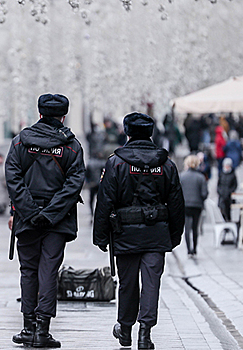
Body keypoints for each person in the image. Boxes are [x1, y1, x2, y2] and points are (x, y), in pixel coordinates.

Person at [93, 112, 184, 349]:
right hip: (156, 233)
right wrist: (174, 235)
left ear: (127, 132)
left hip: (125, 233)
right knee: (152, 283)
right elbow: (176, 202)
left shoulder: (116, 162)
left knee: (128, 283)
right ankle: (145, 333)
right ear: (151, 133)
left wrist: (101, 236)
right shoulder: (166, 164)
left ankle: (124, 330)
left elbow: (105, 200)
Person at [6, 94, 85, 348]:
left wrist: (30, 211)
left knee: (28, 270)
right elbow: (74, 184)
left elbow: (13, 177)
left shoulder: (21, 142)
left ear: (39, 114)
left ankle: (28, 327)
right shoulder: (71, 146)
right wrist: (50, 213)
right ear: (63, 117)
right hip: (57, 221)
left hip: (27, 219)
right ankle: (43, 330)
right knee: (49, 270)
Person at [179, 154, 208, 257]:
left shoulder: (182, 176)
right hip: (197, 205)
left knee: (187, 228)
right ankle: (194, 249)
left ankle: (188, 250)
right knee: (195, 228)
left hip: (186, 205)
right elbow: (204, 193)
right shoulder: (201, 177)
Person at [217, 158, 237, 222]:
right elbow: (219, 184)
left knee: (228, 210)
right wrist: (219, 191)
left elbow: (235, 185)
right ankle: (225, 221)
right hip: (222, 195)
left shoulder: (232, 174)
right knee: (222, 208)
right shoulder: (221, 173)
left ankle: (228, 221)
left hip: (228, 196)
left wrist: (230, 191)